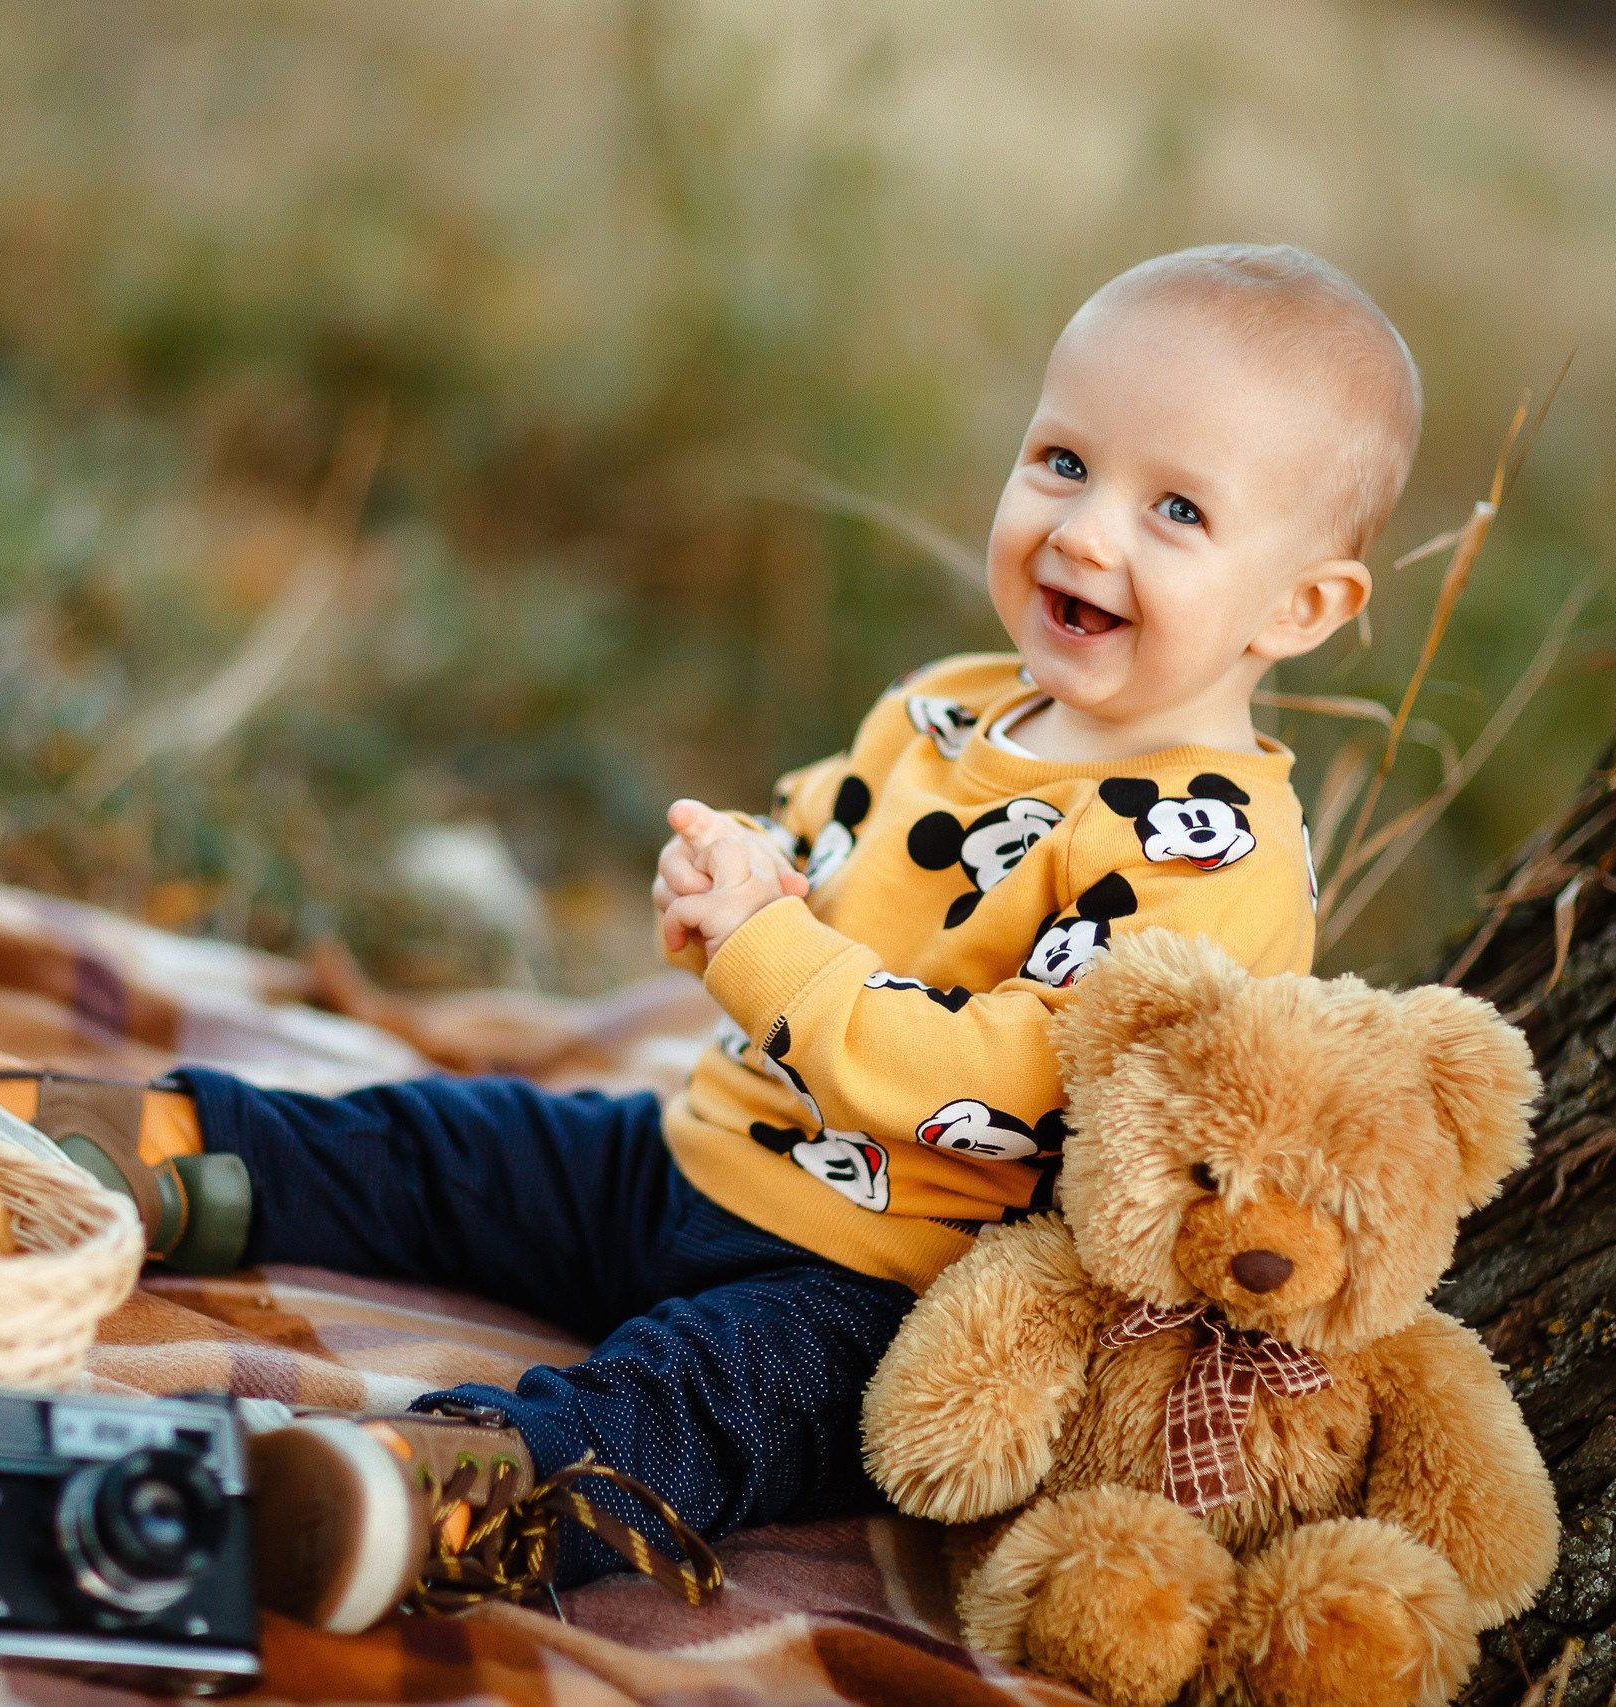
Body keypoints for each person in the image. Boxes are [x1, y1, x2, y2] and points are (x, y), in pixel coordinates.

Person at [116, 242, 1423, 1630]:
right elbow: (832, 858)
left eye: (1174, 509)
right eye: (1061, 461)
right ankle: (148, 1156)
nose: (1086, 532)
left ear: (1302, 605)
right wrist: (750, 873)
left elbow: (1019, 1082)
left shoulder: (1206, 852)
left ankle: (428, 1497)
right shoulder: (957, 699)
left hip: (881, 1286)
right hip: (704, 1154)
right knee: (451, 1146)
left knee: (684, 1406)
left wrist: (770, 958)